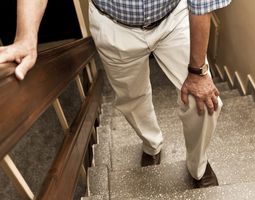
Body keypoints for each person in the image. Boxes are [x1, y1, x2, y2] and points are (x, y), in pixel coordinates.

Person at [0, 0, 231, 188]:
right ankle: (152, 144)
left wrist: (198, 72)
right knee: (132, 99)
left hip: (174, 18)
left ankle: (198, 166)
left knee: (205, 102)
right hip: (113, 26)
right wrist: (25, 37)